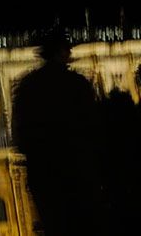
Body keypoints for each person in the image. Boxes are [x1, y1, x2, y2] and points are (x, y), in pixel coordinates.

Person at [10, 27, 104, 236]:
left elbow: (19, 133)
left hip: (42, 172)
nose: (69, 53)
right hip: (76, 169)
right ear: (61, 52)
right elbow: (93, 125)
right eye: (66, 49)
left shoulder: (28, 85)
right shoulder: (77, 83)